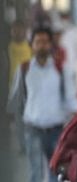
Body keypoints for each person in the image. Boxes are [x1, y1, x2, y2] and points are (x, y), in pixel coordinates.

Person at [8, 27, 77, 182]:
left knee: (56, 175)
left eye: (44, 41)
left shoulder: (61, 69)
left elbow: (70, 99)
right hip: (32, 129)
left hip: (56, 129)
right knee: (34, 176)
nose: (41, 45)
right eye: (37, 42)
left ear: (51, 44)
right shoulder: (23, 69)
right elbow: (15, 101)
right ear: (32, 45)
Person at [8, 20, 32, 154]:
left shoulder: (30, 48)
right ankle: (23, 145)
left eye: (20, 29)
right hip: (11, 87)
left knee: (26, 117)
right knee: (18, 118)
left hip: (27, 87)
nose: (17, 32)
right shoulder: (8, 48)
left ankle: (28, 144)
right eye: (15, 30)